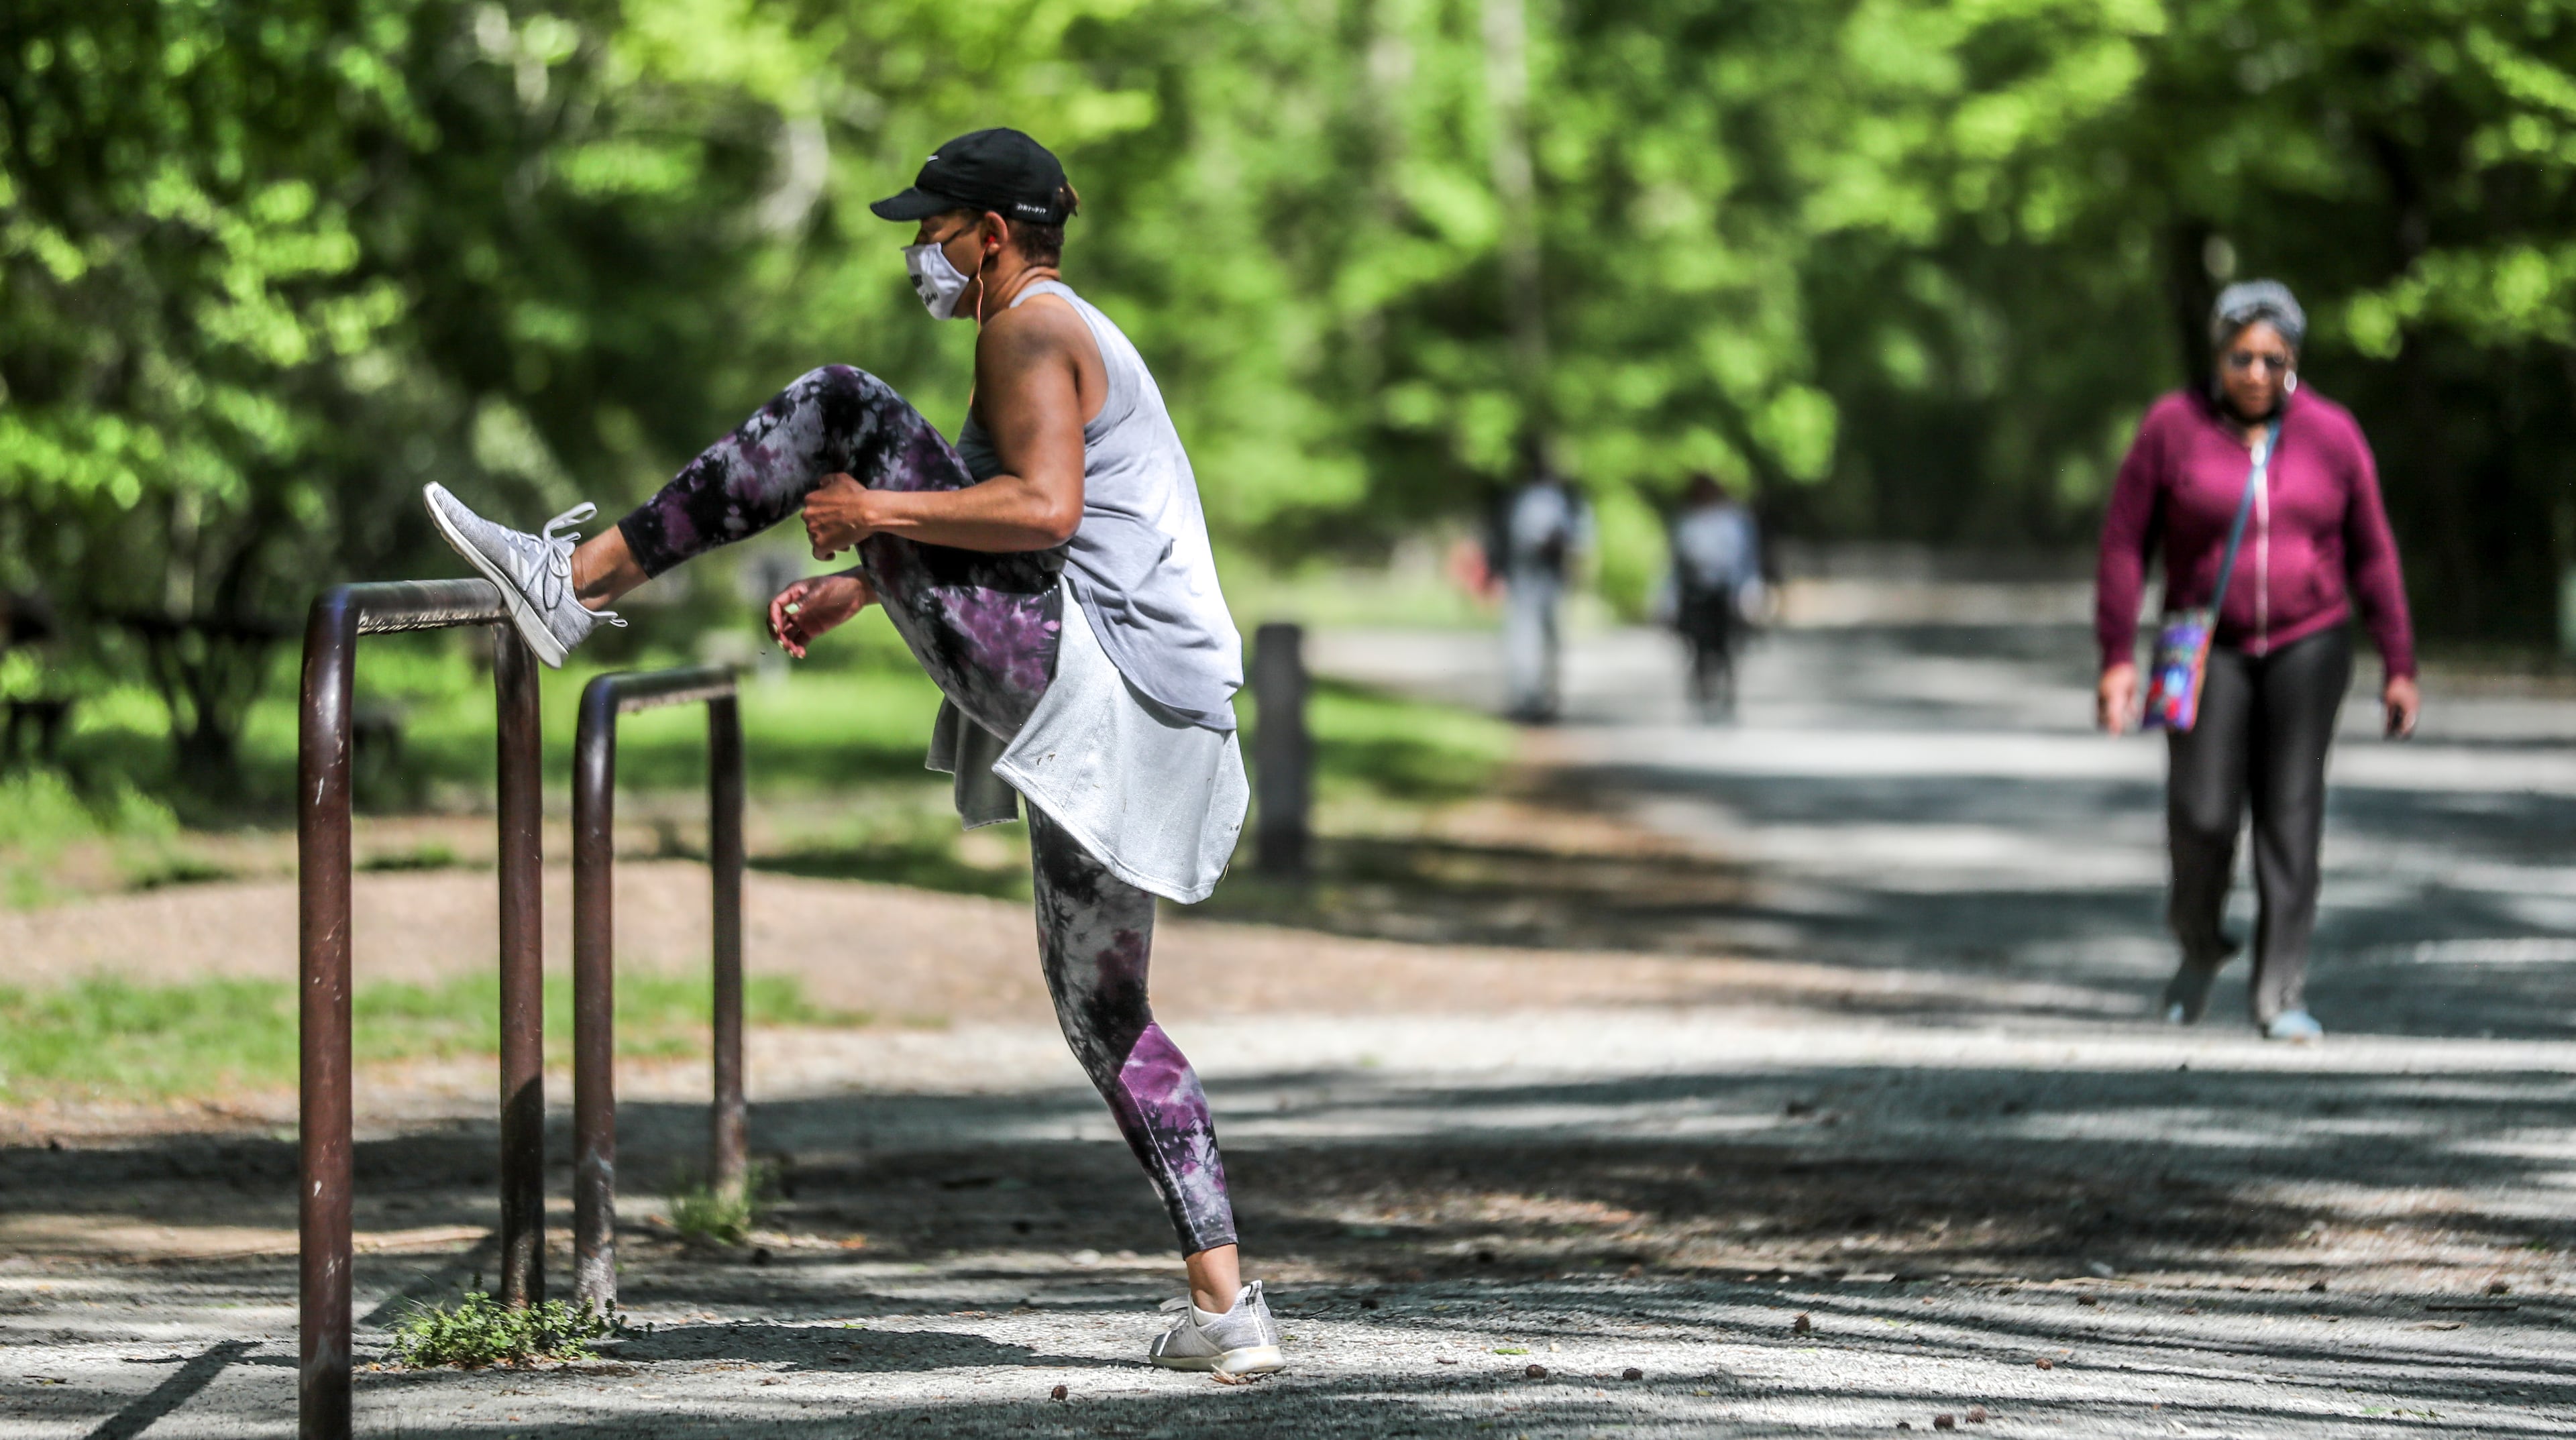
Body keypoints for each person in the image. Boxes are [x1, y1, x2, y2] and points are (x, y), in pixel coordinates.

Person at [419, 128, 1283, 1376]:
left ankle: (572, 580)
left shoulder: (1031, 326)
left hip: (1086, 677)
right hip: (1145, 716)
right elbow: (1006, 533)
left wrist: (875, 511)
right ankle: (1226, 1308)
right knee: (1109, 1016)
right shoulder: (1064, 330)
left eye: (934, 226)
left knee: (840, 405)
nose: (919, 247)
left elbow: (1045, 510)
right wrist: (871, 583)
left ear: (993, 233)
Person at [2094, 279, 2420, 1044]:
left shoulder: (2332, 435)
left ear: (2293, 360)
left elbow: (2372, 553)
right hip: (2204, 644)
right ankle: (2200, 937)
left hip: (2310, 641)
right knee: (2202, 815)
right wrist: (2116, 657)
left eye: (2273, 359)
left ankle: (2280, 992)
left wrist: (2398, 659)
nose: (2255, 374)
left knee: (2291, 814)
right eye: (2241, 356)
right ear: (2219, 354)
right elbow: (2122, 546)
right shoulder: (2173, 427)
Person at [1485, 447, 1590, 722]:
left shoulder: (1565, 500)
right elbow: (1504, 537)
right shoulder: (1518, 499)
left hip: (1550, 576)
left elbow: (1577, 539)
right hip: (1522, 574)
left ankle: (1546, 699)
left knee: (1548, 638)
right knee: (1521, 637)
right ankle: (1522, 698)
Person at [1665, 474, 1762, 721]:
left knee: (1726, 645)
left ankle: (1728, 693)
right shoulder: (1687, 522)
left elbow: (1746, 560)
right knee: (1697, 644)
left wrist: (1751, 592)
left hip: (1726, 591)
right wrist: (1667, 599)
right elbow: (1674, 564)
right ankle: (1702, 690)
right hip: (1695, 589)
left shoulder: (1734, 520)